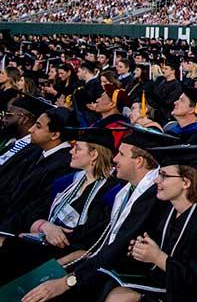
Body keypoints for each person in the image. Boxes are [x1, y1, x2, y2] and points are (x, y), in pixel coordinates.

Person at [19, 127, 178, 302]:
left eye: (121, 155)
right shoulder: (125, 191)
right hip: (105, 264)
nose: (115, 159)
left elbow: (119, 247)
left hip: (130, 272)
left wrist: (70, 280)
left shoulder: (152, 198)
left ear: (139, 161)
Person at [101, 143, 197, 302]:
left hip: (190, 295)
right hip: (166, 284)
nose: (156, 180)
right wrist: (141, 250)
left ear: (186, 182)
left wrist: (158, 257)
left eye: (164, 175)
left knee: (119, 298)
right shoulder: (169, 208)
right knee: (104, 281)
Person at [0, 127, 119, 283]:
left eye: (77, 148)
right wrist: (44, 227)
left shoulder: (111, 192)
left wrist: (47, 235)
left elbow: (90, 238)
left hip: (68, 253)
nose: (71, 152)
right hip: (44, 245)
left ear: (94, 154)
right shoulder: (68, 182)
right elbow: (29, 213)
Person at [0, 107, 75, 237]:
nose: (30, 130)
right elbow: (11, 188)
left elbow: (35, 207)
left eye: (38, 127)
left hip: (16, 231)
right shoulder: (36, 151)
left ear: (55, 135)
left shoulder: (65, 165)